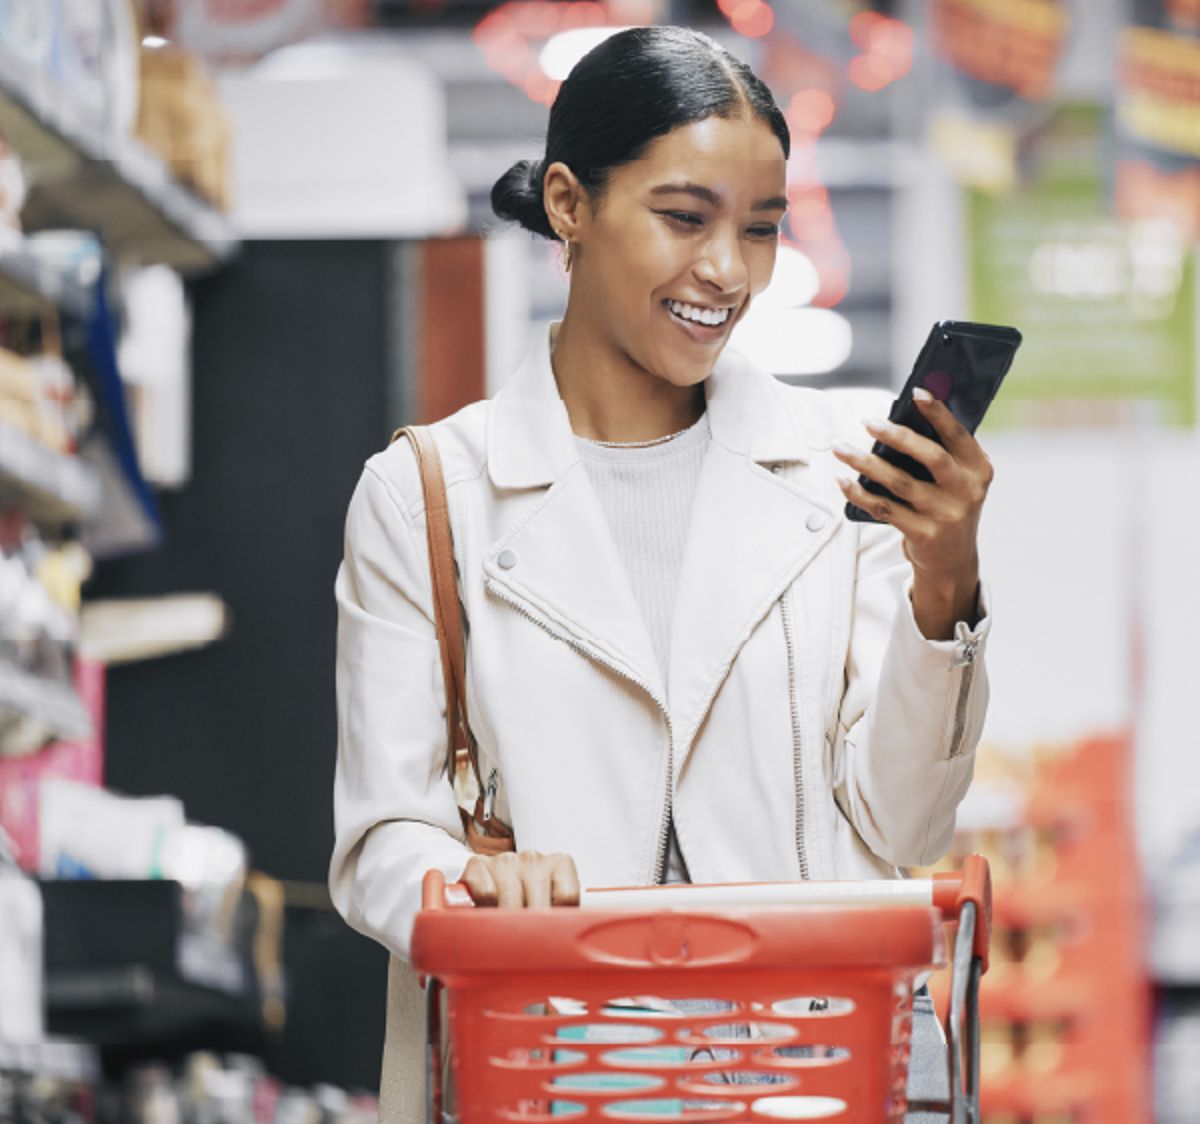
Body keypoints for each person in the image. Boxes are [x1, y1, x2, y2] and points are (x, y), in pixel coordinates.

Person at [329, 25, 993, 1121]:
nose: (727, 272)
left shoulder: (841, 473)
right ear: (568, 204)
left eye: (762, 229)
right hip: (552, 1069)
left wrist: (944, 584)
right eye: (684, 217)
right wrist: (465, 884)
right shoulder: (428, 493)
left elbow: (904, 822)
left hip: (800, 1073)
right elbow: (378, 837)